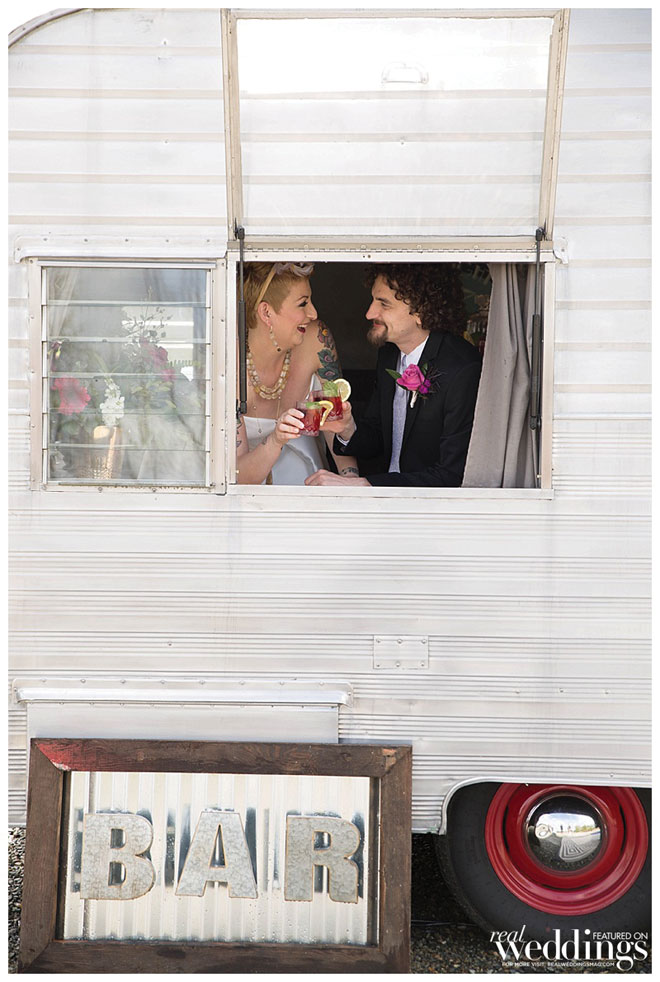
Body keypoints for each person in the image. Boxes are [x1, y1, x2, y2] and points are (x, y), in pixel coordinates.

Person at [305, 263, 481, 488]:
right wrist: (347, 429)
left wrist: (363, 486)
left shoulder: (462, 368)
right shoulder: (389, 354)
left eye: (384, 304)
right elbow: (379, 437)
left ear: (421, 311)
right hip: (386, 497)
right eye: (373, 300)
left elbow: (451, 475)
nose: (369, 313)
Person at [236, 261, 357, 484]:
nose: (313, 313)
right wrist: (276, 440)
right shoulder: (229, 361)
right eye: (303, 303)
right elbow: (238, 477)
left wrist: (350, 479)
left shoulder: (317, 339)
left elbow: (334, 421)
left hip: (308, 481)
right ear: (266, 312)